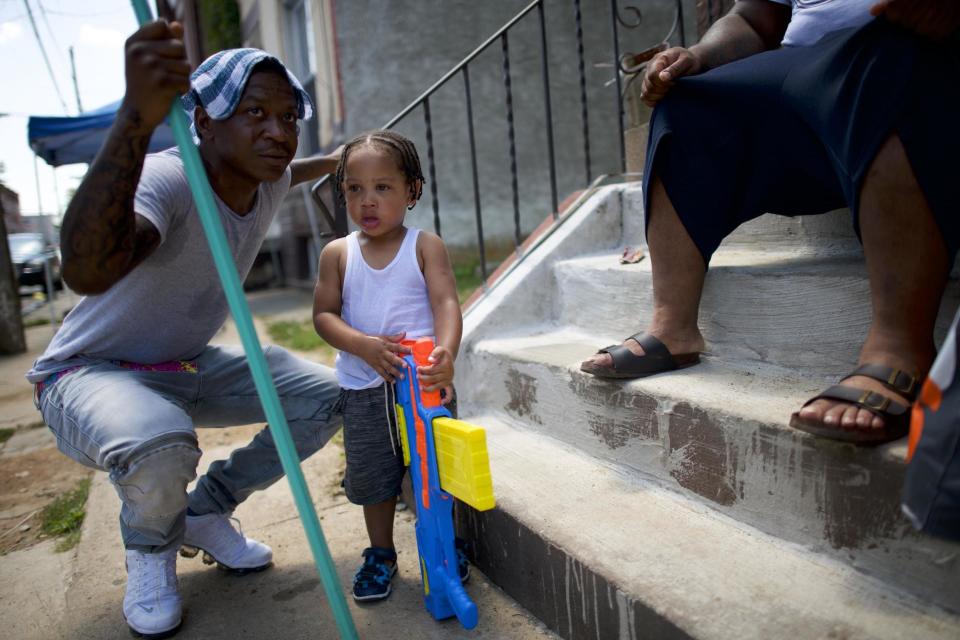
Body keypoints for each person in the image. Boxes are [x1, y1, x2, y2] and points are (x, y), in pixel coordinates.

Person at [27, 21, 344, 639]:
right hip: (89, 374)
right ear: (202, 122)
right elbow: (88, 269)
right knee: (162, 443)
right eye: (254, 112)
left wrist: (341, 159)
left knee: (328, 396)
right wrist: (132, 120)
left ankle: (205, 509)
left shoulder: (269, 177)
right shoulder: (169, 180)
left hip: (185, 365)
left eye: (288, 117)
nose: (277, 133)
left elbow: (294, 168)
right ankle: (150, 554)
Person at [579, 0, 960, 445]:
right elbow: (752, 19)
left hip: (899, 57)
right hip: (801, 69)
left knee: (892, 58)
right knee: (683, 99)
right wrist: (698, 56)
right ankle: (673, 328)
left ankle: (899, 350)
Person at [312, 130, 463, 602]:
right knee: (374, 476)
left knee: (434, 472)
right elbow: (323, 316)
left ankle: (443, 544)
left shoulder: (425, 245)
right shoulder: (338, 253)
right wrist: (363, 345)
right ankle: (381, 552)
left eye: (383, 187)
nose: (367, 201)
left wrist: (447, 352)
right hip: (363, 389)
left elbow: (446, 303)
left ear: (412, 191)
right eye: (354, 189)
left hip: (423, 387)